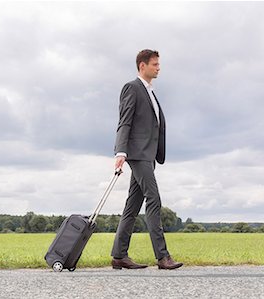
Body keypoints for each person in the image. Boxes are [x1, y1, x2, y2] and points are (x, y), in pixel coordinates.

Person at [111, 49, 183, 270]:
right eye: (154, 64)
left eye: (158, 64)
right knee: (154, 199)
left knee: (132, 206)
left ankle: (119, 255)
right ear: (142, 66)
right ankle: (162, 257)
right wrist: (121, 151)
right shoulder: (132, 88)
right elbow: (125, 120)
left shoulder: (151, 91)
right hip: (137, 154)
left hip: (148, 155)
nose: (158, 67)